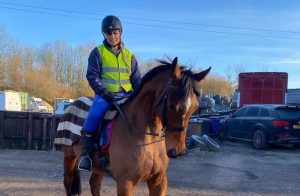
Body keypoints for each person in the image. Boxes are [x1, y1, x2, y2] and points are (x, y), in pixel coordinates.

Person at [78, 15, 141, 172]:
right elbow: (92, 76)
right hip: (105, 95)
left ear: (120, 33)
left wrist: (138, 96)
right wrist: (103, 91)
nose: (113, 36)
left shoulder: (129, 55)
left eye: (115, 33)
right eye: (109, 33)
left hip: (127, 96)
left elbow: (137, 79)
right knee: (92, 117)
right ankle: (85, 156)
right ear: (104, 35)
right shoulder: (97, 52)